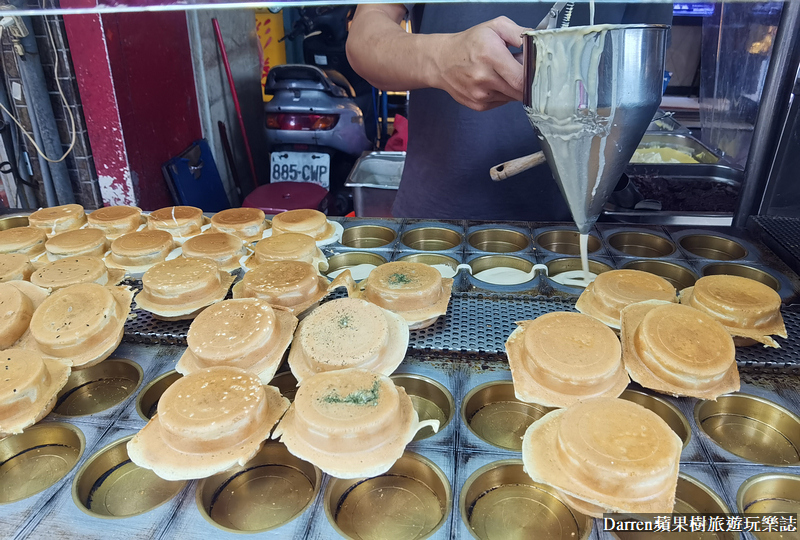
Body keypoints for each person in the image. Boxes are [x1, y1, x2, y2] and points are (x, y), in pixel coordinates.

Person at [346, 3, 673, 221]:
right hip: (436, 226)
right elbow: (363, 40)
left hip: (574, 233)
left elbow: (640, 67)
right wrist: (440, 58)